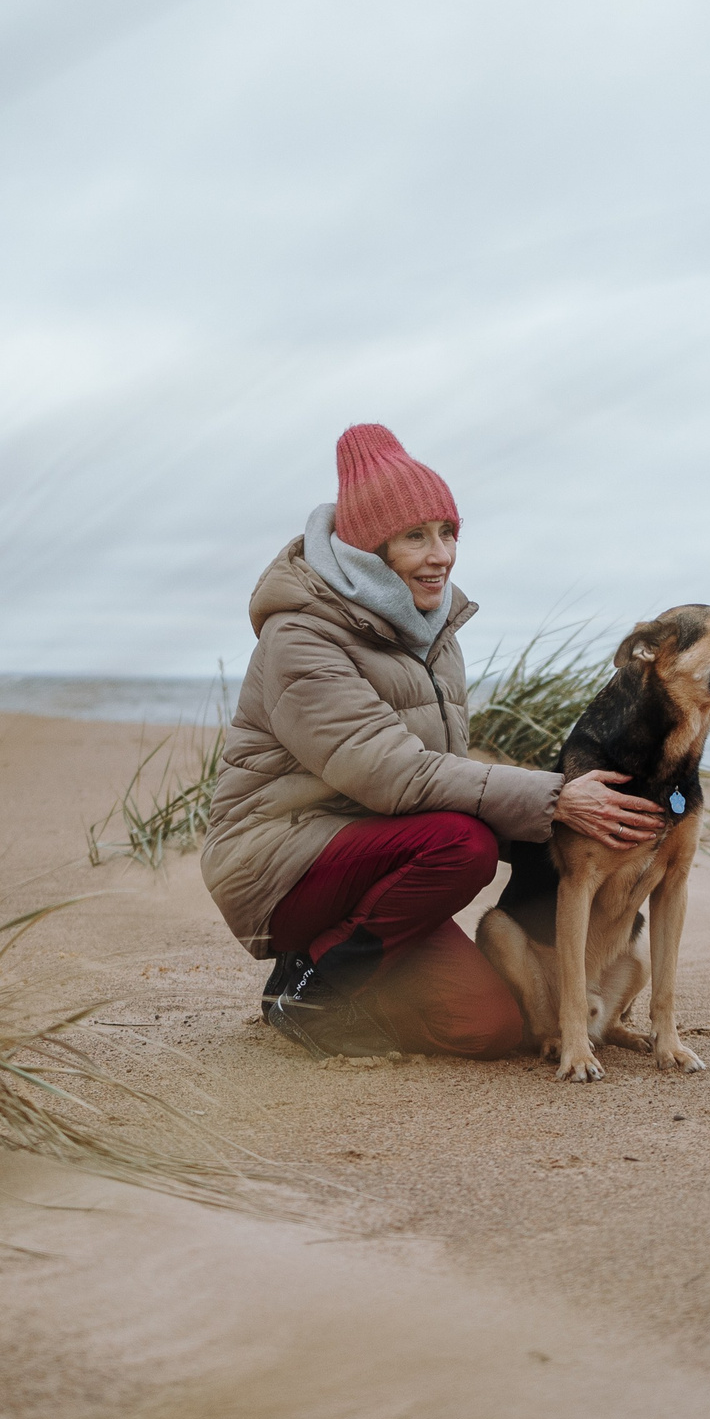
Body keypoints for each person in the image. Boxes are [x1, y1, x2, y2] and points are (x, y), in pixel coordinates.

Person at [200, 424, 664, 1058]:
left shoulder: (431, 630)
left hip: (385, 862)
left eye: (449, 533)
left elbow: (442, 774)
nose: (441, 554)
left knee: (488, 1030)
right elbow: (394, 775)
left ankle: (327, 968)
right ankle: (311, 988)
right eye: (416, 536)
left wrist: (565, 830)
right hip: (279, 858)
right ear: (368, 549)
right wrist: (555, 799)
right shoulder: (300, 638)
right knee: (463, 844)